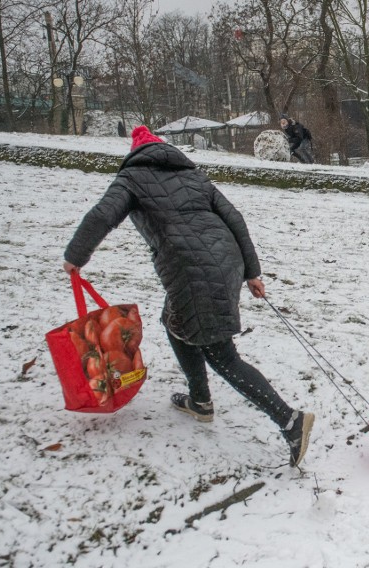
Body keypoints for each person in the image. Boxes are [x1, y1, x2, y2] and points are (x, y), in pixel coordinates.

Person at [62, 126, 314, 467]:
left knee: (221, 354)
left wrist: (75, 256)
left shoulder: (132, 177)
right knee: (173, 320)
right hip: (226, 263)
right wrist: (251, 272)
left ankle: (290, 420)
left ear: (135, 152)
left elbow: (102, 215)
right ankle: (200, 400)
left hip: (191, 270)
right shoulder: (194, 176)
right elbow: (235, 219)